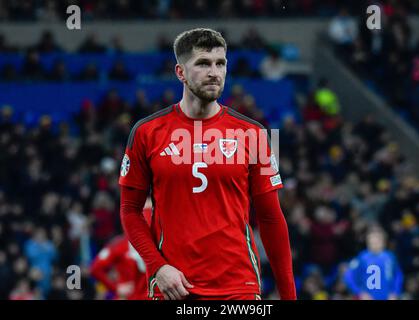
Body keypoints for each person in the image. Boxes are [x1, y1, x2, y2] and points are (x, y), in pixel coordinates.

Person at [119, 28, 296, 300]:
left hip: (238, 288)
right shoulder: (146, 132)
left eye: (220, 63)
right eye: (203, 63)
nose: (214, 72)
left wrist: (289, 296)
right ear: (180, 72)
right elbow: (130, 211)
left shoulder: (254, 134)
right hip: (173, 287)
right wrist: (158, 267)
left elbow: (271, 218)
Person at [344, 227, 403, 300]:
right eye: (371, 242)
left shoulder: (390, 257)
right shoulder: (362, 257)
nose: (374, 244)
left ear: (383, 242)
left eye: (377, 241)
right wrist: (359, 293)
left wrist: (395, 292)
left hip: (387, 297)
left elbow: (398, 275)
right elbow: (349, 276)